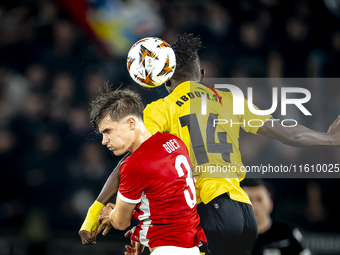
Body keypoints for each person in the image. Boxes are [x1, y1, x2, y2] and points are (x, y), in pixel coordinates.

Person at [79, 33, 340, 254]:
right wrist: (328, 139)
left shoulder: (161, 109)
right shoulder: (230, 99)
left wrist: (95, 210)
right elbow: (288, 133)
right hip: (245, 214)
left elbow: (131, 163)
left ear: (165, 79)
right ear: (201, 74)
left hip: (207, 209)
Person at [85, 88, 205, 254]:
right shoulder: (174, 141)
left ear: (131, 123)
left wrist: (110, 214)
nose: (104, 141)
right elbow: (166, 201)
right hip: (191, 248)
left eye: (108, 131)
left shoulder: (135, 163)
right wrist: (143, 234)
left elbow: (121, 222)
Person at [242, 179, 312, 255]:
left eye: (259, 200)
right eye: (248, 200)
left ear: (270, 204)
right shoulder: (231, 237)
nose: (253, 206)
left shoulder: (287, 235)